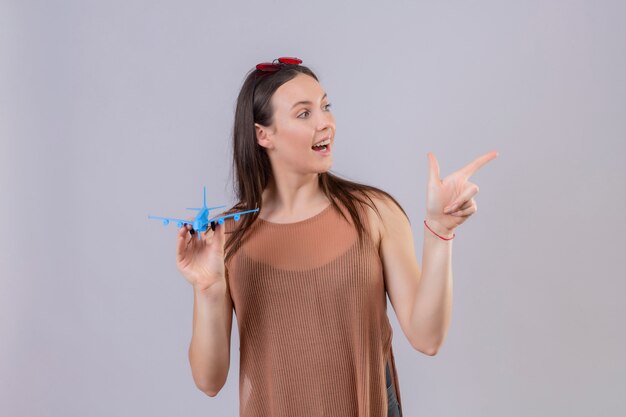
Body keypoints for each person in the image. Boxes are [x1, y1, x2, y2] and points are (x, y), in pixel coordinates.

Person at [175, 57, 498, 417]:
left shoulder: (373, 213)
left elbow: (428, 338)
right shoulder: (226, 238)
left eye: (326, 107)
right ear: (263, 135)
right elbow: (209, 381)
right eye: (303, 114)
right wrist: (207, 290)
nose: (325, 122)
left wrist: (441, 231)